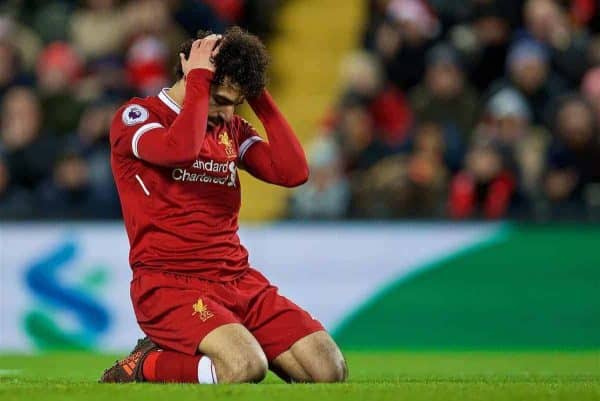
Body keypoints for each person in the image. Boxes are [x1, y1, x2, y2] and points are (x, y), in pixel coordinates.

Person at [100, 27, 347, 384]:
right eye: (220, 99)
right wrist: (200, 80)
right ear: (193, 77)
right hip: (171, 285)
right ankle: (143, 365)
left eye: (237, 102)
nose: (228, 114)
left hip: (238, 280)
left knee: (328, 370)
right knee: (245, 368)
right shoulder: (138, 116)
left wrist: (258, 93)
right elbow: (179, 150)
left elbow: (293, 172)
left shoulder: (230, 127)